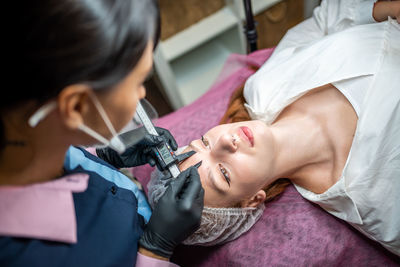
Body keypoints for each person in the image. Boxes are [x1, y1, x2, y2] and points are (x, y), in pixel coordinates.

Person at [147, 0, 400, 256]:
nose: (225, 140)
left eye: (204, 142)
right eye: (223, 173)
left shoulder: (262, 88)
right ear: (253, 200)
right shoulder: (372, 202)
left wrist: (384, 10)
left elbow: (324, 21)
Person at [0, 0, 204, 266]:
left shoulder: (29, 131)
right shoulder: (32, 257)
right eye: (138, 83)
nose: (142, 94)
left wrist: (105, 157)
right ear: (75, 106)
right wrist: (155, 251)